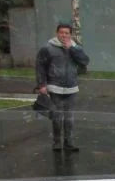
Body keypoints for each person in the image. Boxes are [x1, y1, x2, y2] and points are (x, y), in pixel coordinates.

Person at [35, 22, 89, 152]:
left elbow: (85, 61)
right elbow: (40, 67)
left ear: (70, 35)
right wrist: (41, 85)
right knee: (57, 117)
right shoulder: (48, 48)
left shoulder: (75, 47)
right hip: (55, 87)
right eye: (61, 32)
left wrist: (72, 49)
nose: (64, 35)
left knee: (69, 118)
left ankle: (69, 143)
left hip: (71, 88)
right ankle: (57, 143)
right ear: (57, 33)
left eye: (67, 33)